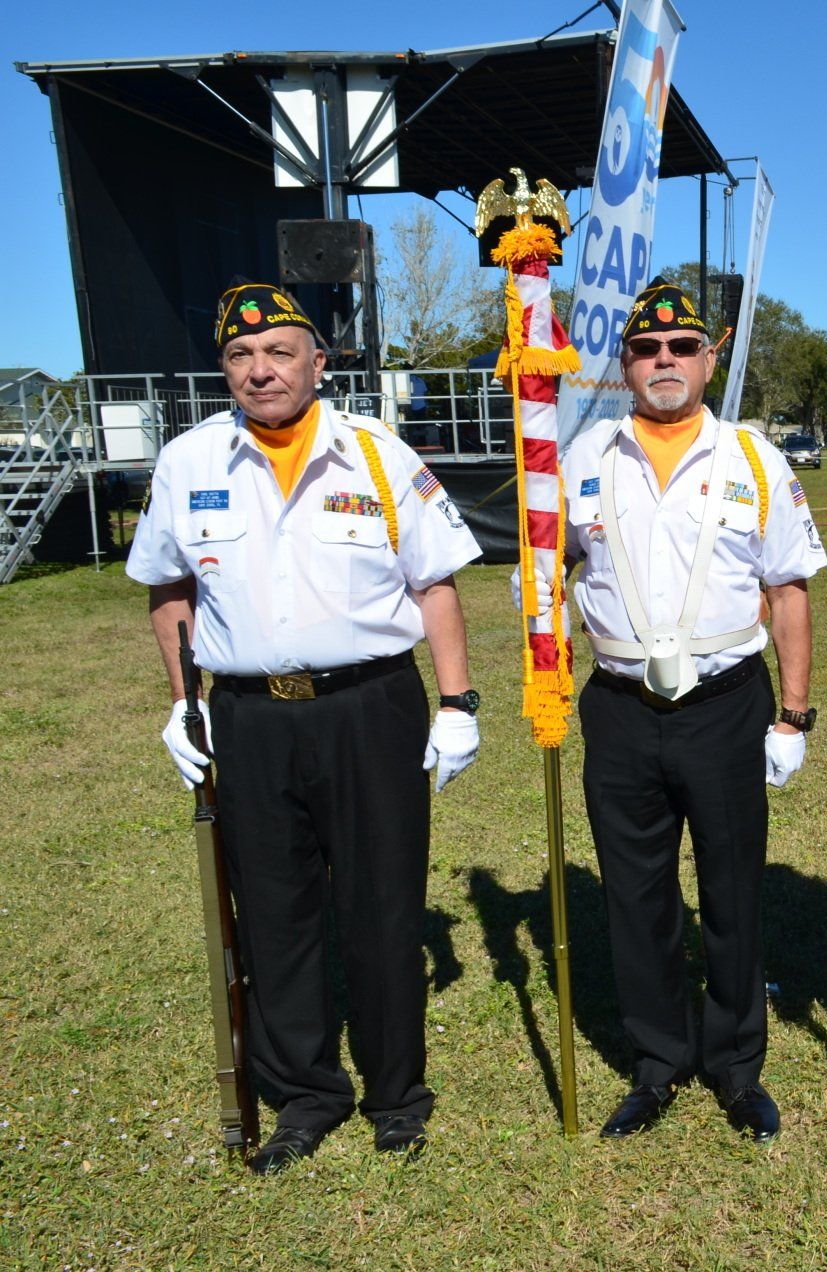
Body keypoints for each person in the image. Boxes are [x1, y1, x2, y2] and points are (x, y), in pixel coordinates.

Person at [130, 283, 482, 1173]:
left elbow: (434, 584)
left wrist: (456, 702)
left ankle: (397, 1094)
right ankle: (305, 1095)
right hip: (249, 716)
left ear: (318, 362)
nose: (261, 370)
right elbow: (169, 589)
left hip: (370, 707)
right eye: (241, 356)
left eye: (280, 352)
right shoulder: (188, 461)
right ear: (225, 370)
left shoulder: (377, 454)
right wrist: (182, 701)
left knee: (383, 903)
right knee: (273, 911)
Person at [562, 278, 825, 1144]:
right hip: (620, 708)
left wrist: (793, 715)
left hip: (725, 705)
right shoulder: (583, 459)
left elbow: (788, 590)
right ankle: (656, 1062)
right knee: (634, 894)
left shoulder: (754, 459)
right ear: (625, 365)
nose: (664, 361)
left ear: (709, 360)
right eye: (646, 349)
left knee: (732, 890)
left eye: (682, 347)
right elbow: (549, 571)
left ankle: (737, 1066)